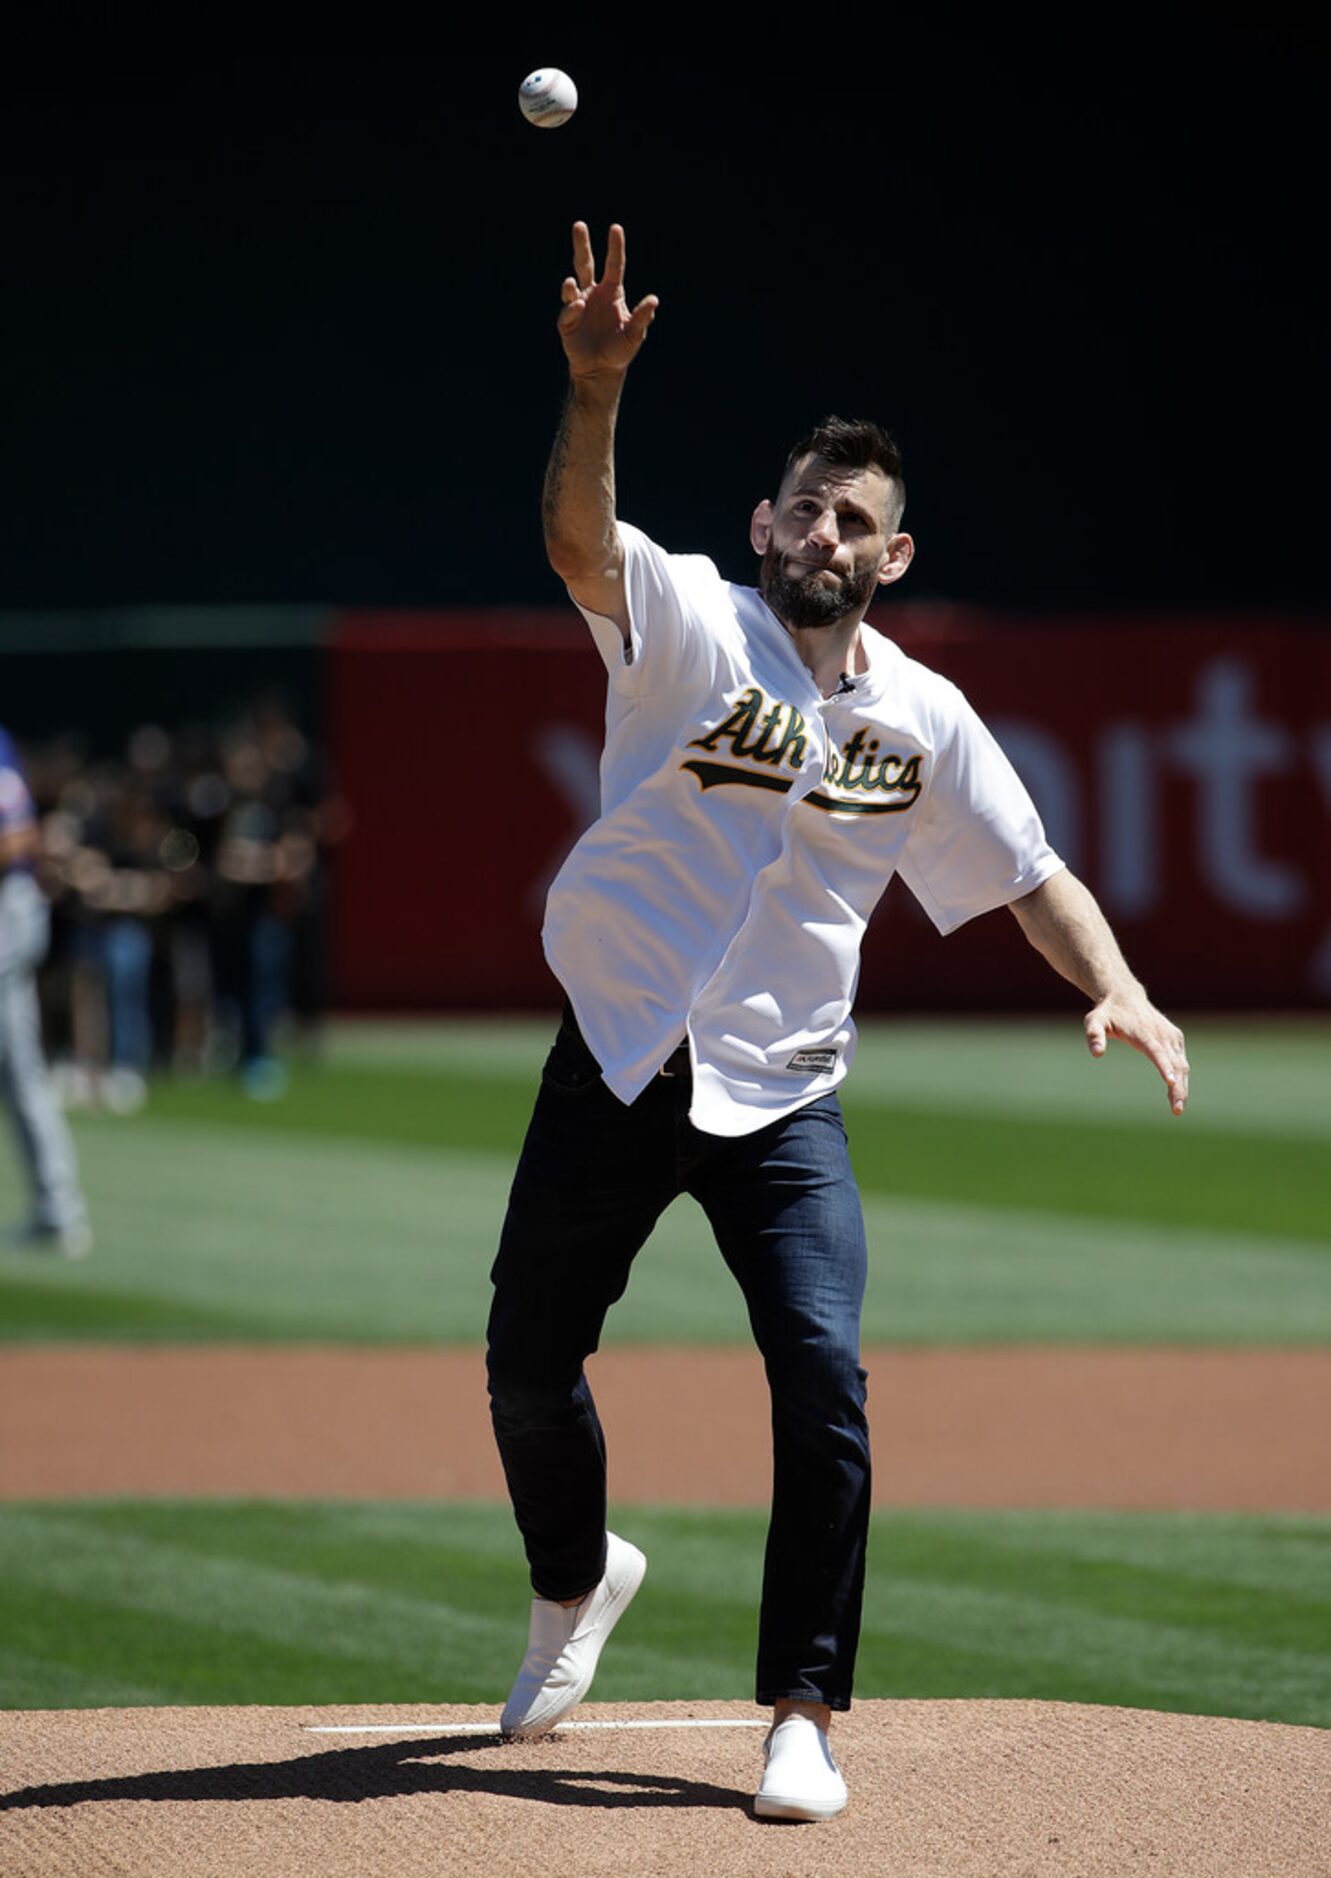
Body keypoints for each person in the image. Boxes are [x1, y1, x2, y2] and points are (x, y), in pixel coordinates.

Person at [486, 224, 1190, 1822]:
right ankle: (577, 1573)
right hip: (617, 1051)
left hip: (785, 1095)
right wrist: (592, 388)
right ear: (760, 523)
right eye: (802, 504)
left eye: (852, 518)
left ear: (891, 554)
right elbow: (579, 543)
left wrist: (1121, 987)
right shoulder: (684, 624)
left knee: (821, 1375)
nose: (821, 527)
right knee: (526, 1363)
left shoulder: (920, 715)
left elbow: (1030, 875)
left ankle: (801, 1708)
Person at [0, 725, 93, 1256]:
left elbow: (15, 837)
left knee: (21, 1070)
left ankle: (59, 1208)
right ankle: (57, 1208)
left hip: (7, 910)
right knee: (21, 1072)